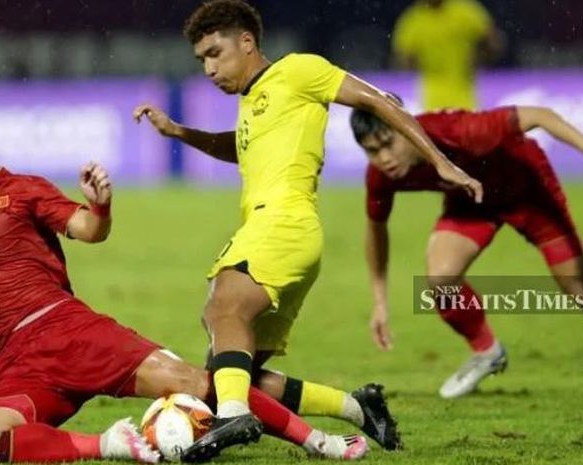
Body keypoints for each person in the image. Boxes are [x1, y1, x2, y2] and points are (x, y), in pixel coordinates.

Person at [0, 96, 372, 463]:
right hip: (19, 364)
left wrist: (100, 204)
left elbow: (88, 230)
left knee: (200, 384)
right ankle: (112, 443)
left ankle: (319, 441)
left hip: (70, 332)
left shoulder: (21, 190)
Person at [134, 0, 484, 460]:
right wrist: (181, 132)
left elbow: (376, 99)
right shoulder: (251, 100)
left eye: (215, 53)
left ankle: (235, 418)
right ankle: (358, 408)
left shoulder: (299, 70)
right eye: (202, 60)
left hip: (284, 223)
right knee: (224, 373)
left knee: (222, 309)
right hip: (277, 230)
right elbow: (240, 150)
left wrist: (441, 162)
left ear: (246, 42)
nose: (209, 68)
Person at [350, 103, 583, 399]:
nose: (385, 159)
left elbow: (539, 116)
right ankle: (487, 351)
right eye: (372, 151)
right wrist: (379, 301)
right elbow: (376, 230)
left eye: (388, 144)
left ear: (406, 126)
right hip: (473, 202)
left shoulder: (458, 131)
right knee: (441, 279)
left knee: (580, 289)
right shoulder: (381, 176)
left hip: (528, 191)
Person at [392, 0, 504, 110]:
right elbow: (402, 59)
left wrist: (480, 57)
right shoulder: (412, 20)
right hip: (433, 101)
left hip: (464, 98)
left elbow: (493, 42)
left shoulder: (465, 11)